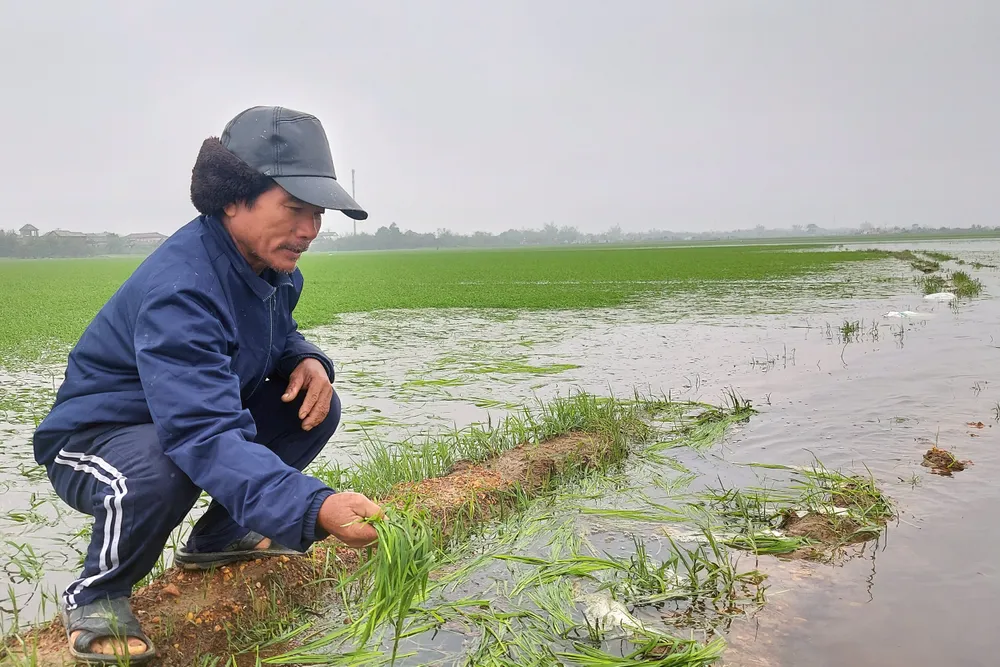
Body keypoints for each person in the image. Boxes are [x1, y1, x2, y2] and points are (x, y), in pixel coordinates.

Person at [31, 106, 383, 664]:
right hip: (97, 437)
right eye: (294, 208)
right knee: (166, 465)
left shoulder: (272, 269)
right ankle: (96, 592)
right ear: (231, 197)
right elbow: (202, 434)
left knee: (313, 405)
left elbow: (274, 332)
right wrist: (314, 506)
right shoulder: (183, 290)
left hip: (176, 420)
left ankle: (218, 539)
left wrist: (308, 358)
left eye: (317, 213)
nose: (311, 229)